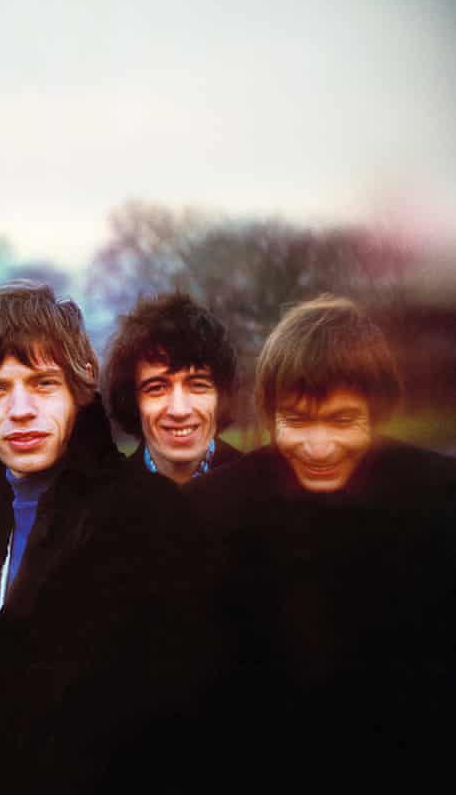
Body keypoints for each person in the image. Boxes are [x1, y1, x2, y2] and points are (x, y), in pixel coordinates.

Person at [0, 281, 214, 795]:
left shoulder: (149, 514)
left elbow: (186, 725)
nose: (19, 410)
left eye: (42, 384)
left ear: (79, 388)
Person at [185, 294, 456, 791]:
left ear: (377, 411)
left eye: (341, 420)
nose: (318, 447)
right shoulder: (212, 513)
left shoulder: (440, 498)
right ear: (269, 414)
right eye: (297, 420)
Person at [103, 291, 241, 486]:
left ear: (221, 396)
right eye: (157, 388)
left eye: (198, 385)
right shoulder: (102, 504)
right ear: (133, 401)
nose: (179, 410)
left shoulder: (261, 493)